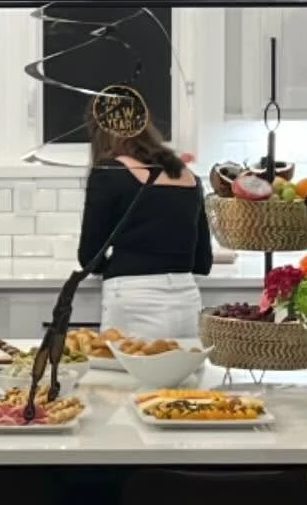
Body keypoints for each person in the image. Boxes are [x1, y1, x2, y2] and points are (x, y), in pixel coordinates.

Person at [76, 104, 212, 341]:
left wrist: (123, 265)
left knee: (125, 365)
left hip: (131, 298)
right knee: (183, 365)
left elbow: (90, 257)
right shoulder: (188, 176)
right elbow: (202, 261)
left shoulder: (109, 172)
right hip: (186, 299)